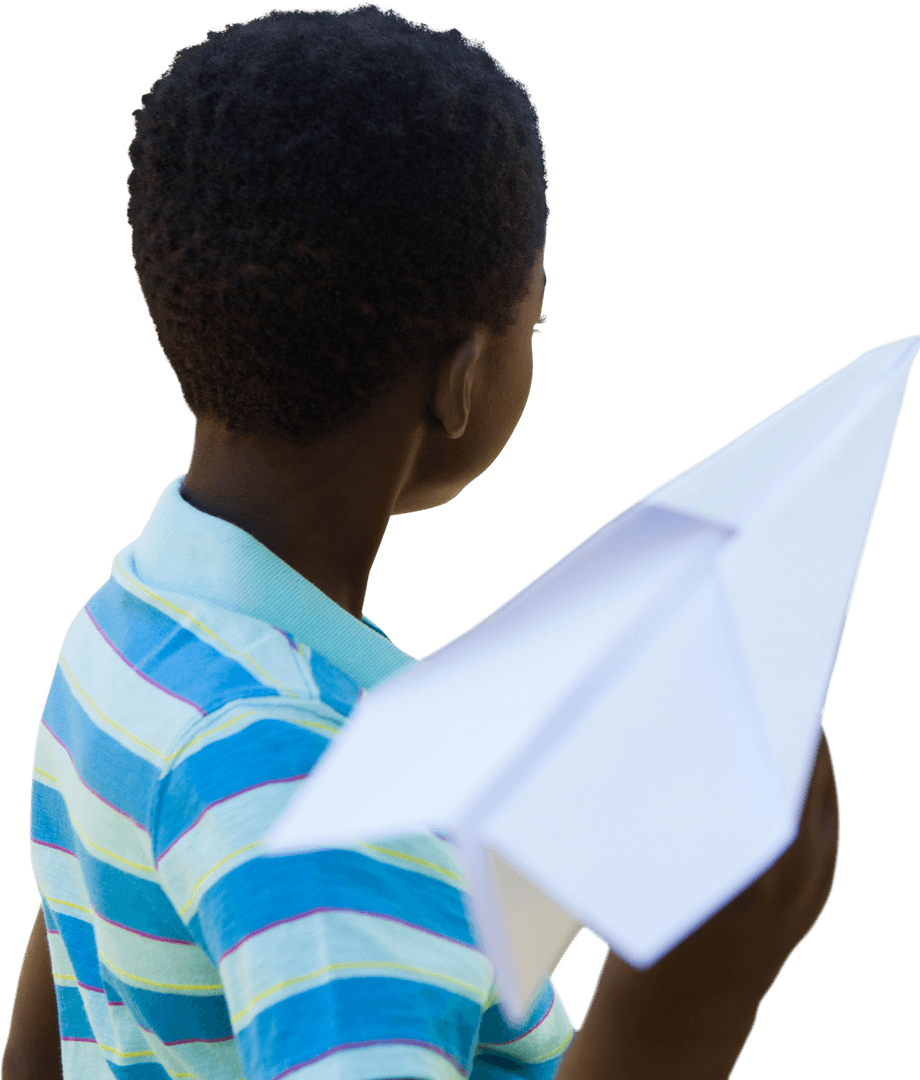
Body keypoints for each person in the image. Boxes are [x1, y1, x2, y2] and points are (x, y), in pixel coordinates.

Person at [3, 6, 840, 1079]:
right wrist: (687, 1001)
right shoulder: (327, 806)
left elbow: (72, 1005)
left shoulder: (121, 635)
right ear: (458, 381)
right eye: (531, 327)